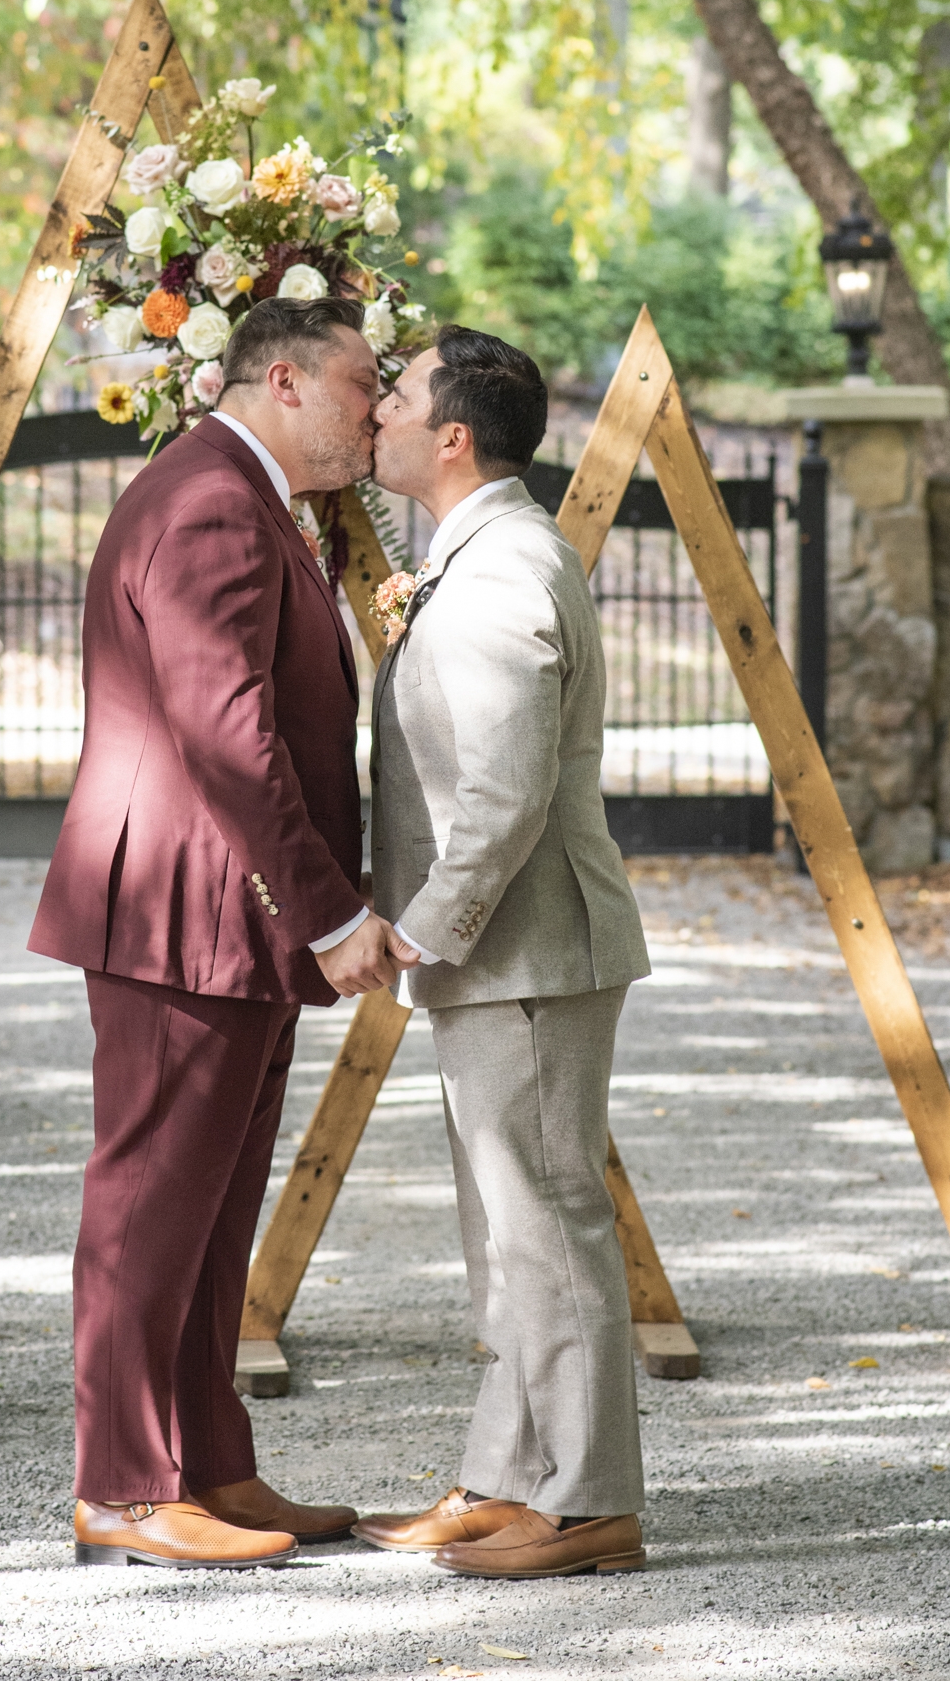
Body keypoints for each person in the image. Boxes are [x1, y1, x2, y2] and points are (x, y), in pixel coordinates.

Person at [30, 295, 419, 1572]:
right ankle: (122, 1487)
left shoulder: (246, 494)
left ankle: (208, 1463)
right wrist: (331, 911)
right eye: (363, 384)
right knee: (150, 1200)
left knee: (210, 1207)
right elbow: (227, 732)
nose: (377, 409)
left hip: (223, 914)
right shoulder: (210, 500)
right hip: (184, 909)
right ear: (285, 381)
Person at [352, 325, 652, 1579]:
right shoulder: (478, 551)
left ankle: (586, 1505)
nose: (376, 411)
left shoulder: (502, 569)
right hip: (507, 953)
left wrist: (422, 926)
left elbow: (506, 791)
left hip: (528, 946)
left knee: (546, 1222)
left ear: (453, 436)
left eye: (397, 398)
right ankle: (506, 1477)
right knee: (506, 1229)